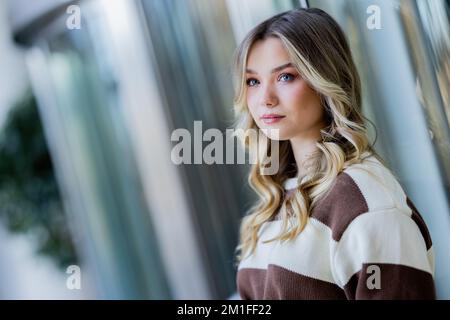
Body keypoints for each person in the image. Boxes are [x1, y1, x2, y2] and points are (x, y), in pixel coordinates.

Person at [232, 8, 435, 299]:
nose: (265, 98)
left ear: (324, 79)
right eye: (253, 81)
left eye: (286, 77)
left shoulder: (369, 204)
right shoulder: (282, 195)